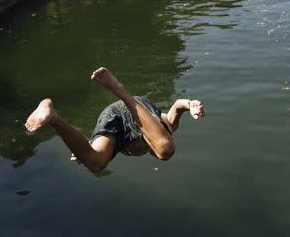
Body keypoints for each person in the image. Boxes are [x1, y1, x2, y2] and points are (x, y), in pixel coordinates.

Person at [25, 67, 205, 172]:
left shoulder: (161, 133)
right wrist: (190, 103)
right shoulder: (167, 126)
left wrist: (85, 148)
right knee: (166, 149)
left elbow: (179, 107)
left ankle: (53, 116)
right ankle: (119, 89)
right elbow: (178, 106)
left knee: (96, 163)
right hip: (137, 107)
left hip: (114, 118)